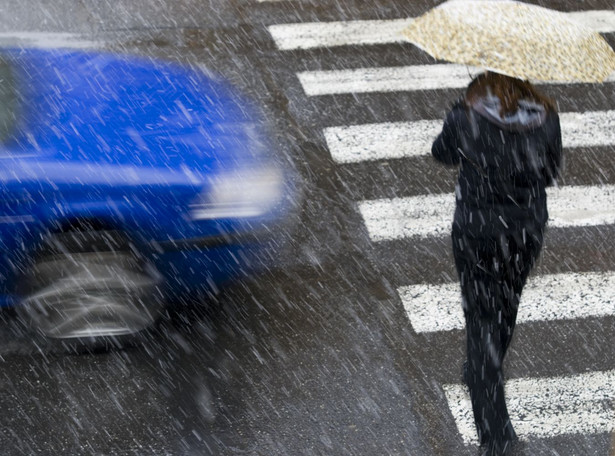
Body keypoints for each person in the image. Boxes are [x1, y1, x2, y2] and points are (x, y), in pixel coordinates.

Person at [431, 71, 563, 456]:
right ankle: (484, 369)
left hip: (477, 233)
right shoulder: (547, 117)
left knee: (480, 318)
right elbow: (551, 172)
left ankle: (497, 438)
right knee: (505, 308)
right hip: (524, 233)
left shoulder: (466, 116)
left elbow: (441, 153)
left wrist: (460, 113)